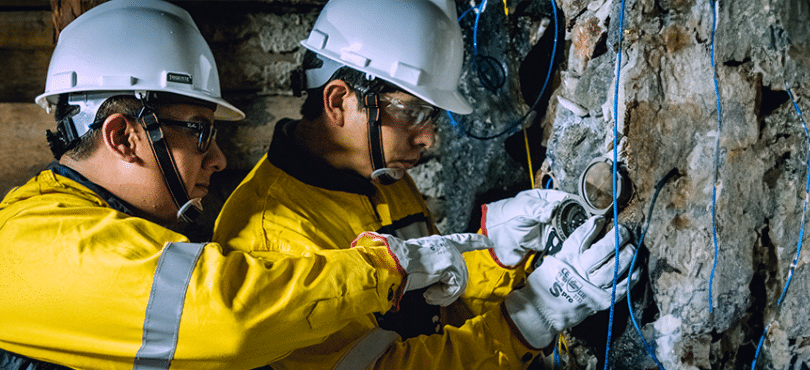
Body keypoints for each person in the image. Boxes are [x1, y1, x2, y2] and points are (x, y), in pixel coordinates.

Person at [0, 1, 490, 369]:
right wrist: (396, 264)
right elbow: (229, 314)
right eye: (200, 132)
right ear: (123, 136)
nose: (218, 159)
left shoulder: (106, 224)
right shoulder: (26, 248)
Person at [212, 0, 639, 368]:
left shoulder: (380, 173)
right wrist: (533, 318)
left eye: (431, 115)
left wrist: (496, 253)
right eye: (413, 112)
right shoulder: (269, 237)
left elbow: (437, 306)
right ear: (340, 100)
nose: (428, 137)